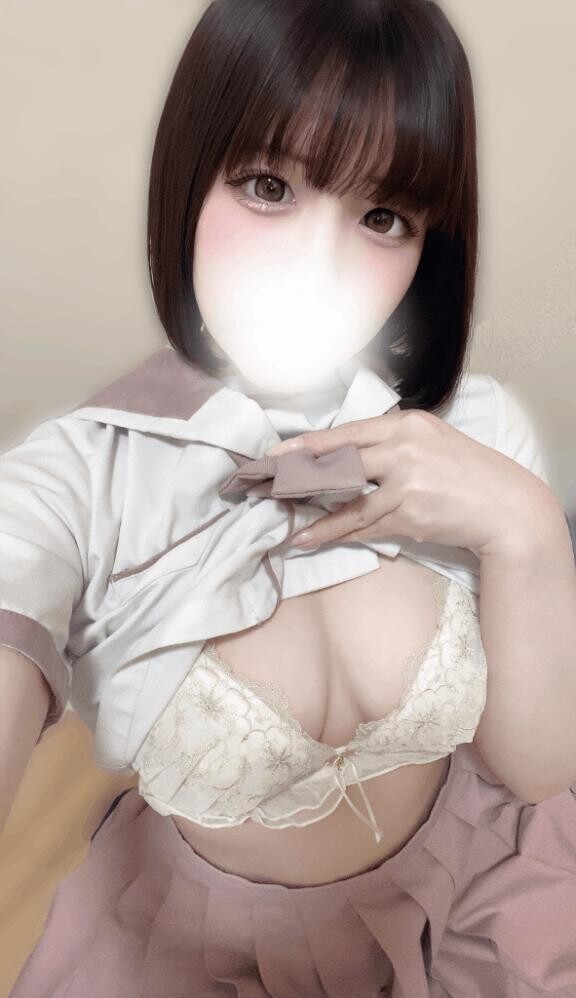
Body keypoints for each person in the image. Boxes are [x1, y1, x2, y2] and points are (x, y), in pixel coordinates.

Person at [2, 1, 576, 995]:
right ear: (190, 178)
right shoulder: (74, 479)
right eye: (269, 186)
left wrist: (526, 527)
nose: (319, 268)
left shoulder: (478, 431)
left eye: (382, 217)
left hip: (479, 887)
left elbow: (535, 767)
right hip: (199, 947)